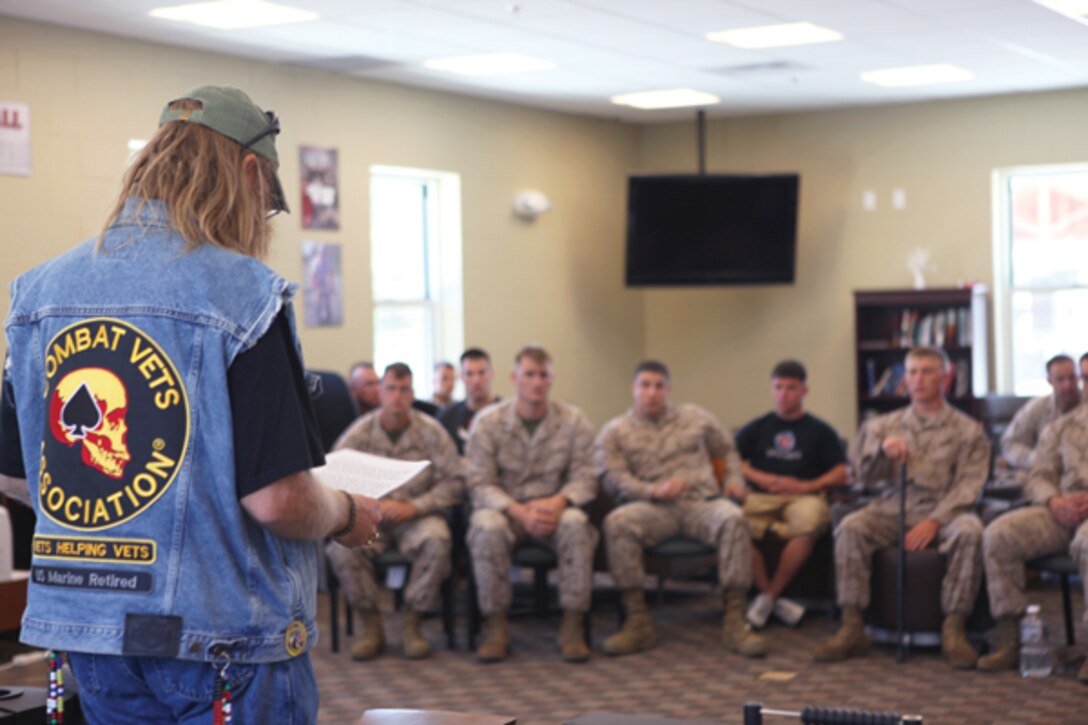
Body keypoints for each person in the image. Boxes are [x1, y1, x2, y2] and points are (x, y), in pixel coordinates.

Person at [0, 85, 381, 722]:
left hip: (88, 635)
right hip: (223, 646)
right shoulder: (245, 295)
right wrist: (345, 513)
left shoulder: (38, 292)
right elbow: (278, 500)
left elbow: (16, 475)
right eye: (266, 205)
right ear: (250, 173)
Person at [814, 346, 988, 669]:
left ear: (945, 377)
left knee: (971, 532)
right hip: (892, 506)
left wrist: (934, 522)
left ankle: (954, 629)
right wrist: (882, 452)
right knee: (851, 527)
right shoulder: (882, 425)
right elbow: (862, 476)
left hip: (945, 508)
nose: (918, 380)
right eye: (912, 372)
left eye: (927, 371)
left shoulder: (968, 430)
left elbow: (970, 485)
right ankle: (852, 626)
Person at [597, 360, 767, 659]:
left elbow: (727, 450)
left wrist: (734, 482)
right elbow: (613, 478)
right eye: (645, 385)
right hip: (651, 508)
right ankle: (637, 623)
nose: (652, 393)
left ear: (668, 389)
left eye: (659, 386)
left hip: (700, 504)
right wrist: (652, 491)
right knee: (617, 523)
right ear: (633, 389)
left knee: (734, 519)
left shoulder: (695, 417)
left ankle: (735, 621)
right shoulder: (615, 431)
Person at [465, 345, 598, 663]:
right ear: (514, 378)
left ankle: (572, 624)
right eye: (529, 375)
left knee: (577, 524)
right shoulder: (488, 422)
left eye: (543, 375)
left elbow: (587, 477)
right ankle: (496, 626)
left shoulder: (573, 420)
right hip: (508, 510)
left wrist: (558, 502)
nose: (537, 383)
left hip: (554, 510)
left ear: (551, 379)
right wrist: (518, 511)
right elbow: (479, 482)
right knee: (486, 527)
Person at [325, 363, 463, 661]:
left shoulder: (431, 432)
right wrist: (364, 506)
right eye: (390, 389)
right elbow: (333, 475)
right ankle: (370, 624)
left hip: (417, 517)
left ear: (412, 394)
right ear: (380, 392)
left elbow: (454, 482)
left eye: (404, 390)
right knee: (342, 550)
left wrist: (415, 507)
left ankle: (413, 621)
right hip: (372, 518)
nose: (397, 396)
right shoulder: (361, 432)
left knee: (438, 539)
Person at [734, 360, 847, 628]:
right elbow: (730, 460)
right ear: (772, 390)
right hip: (760, 497)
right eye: (778, 387)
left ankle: (768, 598)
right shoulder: (758, 427)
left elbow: (843, 473)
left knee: (809, 523)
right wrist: (763, 478)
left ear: (804, 391)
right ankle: (770, 598)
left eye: (791, 388)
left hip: (804, 497)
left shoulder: (821, 431)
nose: (784, 394)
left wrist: (805, 486)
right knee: (731, 524)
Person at [979, 403, 1088, 682]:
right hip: (1063, 510)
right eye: (1086, 377)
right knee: (999, 534)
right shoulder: (1064, 426)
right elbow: (1039, 476)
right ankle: (1011, 636)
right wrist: (1054, 500)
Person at [999, 354, 1080, 474]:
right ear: (1050, 381)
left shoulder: (1085, 404)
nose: (1067, 385)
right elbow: (1009, 443)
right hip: (1048, 474)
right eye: (1060, 379)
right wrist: (1037, 460)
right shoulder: (1038, 407)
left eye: (1072, 377)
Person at [438, 348, 499, 455]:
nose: (476, 380)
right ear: (462, 377)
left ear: (492, 374)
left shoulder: (507, 415)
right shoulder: (447, 417)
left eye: (482, 373)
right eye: (470, 374)